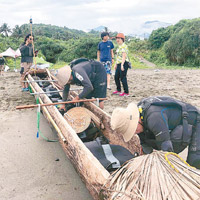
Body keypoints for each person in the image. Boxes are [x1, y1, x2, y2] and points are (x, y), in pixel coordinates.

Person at [111, 96, 200, 169]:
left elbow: (167, 150)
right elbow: (145, 146)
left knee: (194, 162)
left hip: (196, 121)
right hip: (175, 125)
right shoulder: (141, 115)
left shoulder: (154, 118)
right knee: (150, 139)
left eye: (133, 129)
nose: (134, 133)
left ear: (136, 120)